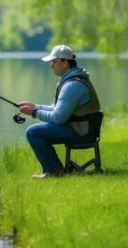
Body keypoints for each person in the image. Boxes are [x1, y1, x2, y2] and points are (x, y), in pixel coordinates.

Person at [18, 44, 103, 179]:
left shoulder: (72, 85)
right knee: (35, 131)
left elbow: (58, 117)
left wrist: (34, 113)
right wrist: (35, 106)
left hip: (81, 133)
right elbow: (56, 108)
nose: (51, 65)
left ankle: (54, 170)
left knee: (33, 132)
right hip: (82, 129)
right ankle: (54, 169)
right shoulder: (70, 81)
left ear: (65, 62)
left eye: (54, 61)